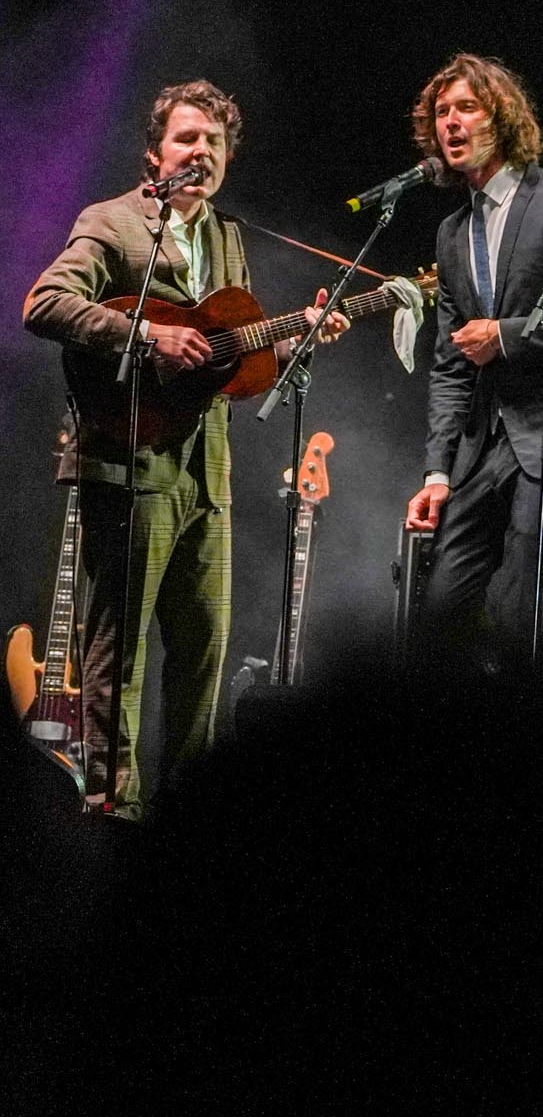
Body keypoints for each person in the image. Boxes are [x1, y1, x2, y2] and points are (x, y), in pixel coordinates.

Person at [23, 80, 343, 812]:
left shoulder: (227, 237)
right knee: (119, 655)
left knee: (204, 652)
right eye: (187, 138)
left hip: (210, 474)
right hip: (131, 460)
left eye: (215, 143)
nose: (201, 153)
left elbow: (235, 363)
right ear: (155, 151)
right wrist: (146, 332)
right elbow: (45, 302)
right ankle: (113, 809)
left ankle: (189, 817)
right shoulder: (111, 221)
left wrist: (301, 335)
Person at [402, 54, 543, 670]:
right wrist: (437, 474)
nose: (451, 122)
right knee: (440, 615)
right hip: (486, 446)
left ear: (502, 116)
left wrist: (507, 335)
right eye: (441, 112)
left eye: (466, 107)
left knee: (529, 624)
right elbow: (448, 363)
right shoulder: (452, 231)